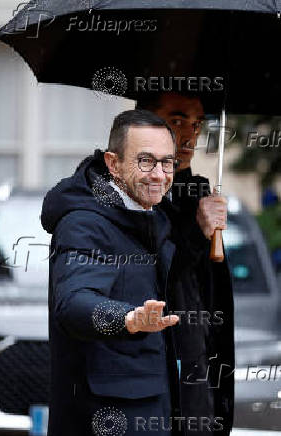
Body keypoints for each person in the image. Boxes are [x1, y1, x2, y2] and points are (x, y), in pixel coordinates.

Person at [41, 109, 225, 436]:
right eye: (146, 161)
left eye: (167, 162)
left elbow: (161, 277)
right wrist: (127, 319)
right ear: (113, 164)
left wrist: (199, 231)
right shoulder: (84, 223)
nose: (159, 174)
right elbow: (73, 302)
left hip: (155, 409)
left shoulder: (149, 215)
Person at [137, 92, 235, 436]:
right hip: (155, 379)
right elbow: (153, 277)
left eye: (197, 124)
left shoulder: (198, 194)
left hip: (200, 370)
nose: (190, 135)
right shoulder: (132, 200)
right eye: (177, 121)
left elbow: (209, 294)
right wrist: (196, 231)